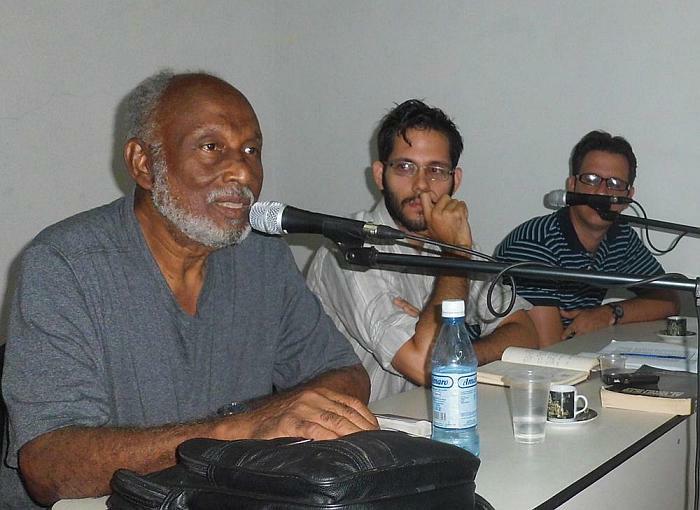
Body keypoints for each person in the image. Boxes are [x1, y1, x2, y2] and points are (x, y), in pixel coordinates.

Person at [0, 71, 376, 508]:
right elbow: (49, 467)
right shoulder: (63, 264)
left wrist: (269, 423)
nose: (242, 170)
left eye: (251, 150)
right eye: (210, 147)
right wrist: (243, 428)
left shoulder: (262, 255)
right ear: (143, 163)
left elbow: (346, 375)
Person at [306, 100, 538, 402]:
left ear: (456, 180)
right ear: (379, 175)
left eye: (436, 170)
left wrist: (458, 351)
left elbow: (526, 333)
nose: (421, 186)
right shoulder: (348, 251)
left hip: (429, 421)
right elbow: (425, 366)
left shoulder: (451, 241)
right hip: (358, 433)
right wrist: (455, 260)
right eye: (404, 167)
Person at [494, 130, 680, 346]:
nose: (601, 192)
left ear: (627, 198)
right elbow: (550, 351)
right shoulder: (534, 242)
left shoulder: (621, 237)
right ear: (572, 185)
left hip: (573, 358)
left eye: (615, 184)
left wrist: (609, 313)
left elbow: (668, 299)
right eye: (591, 180)